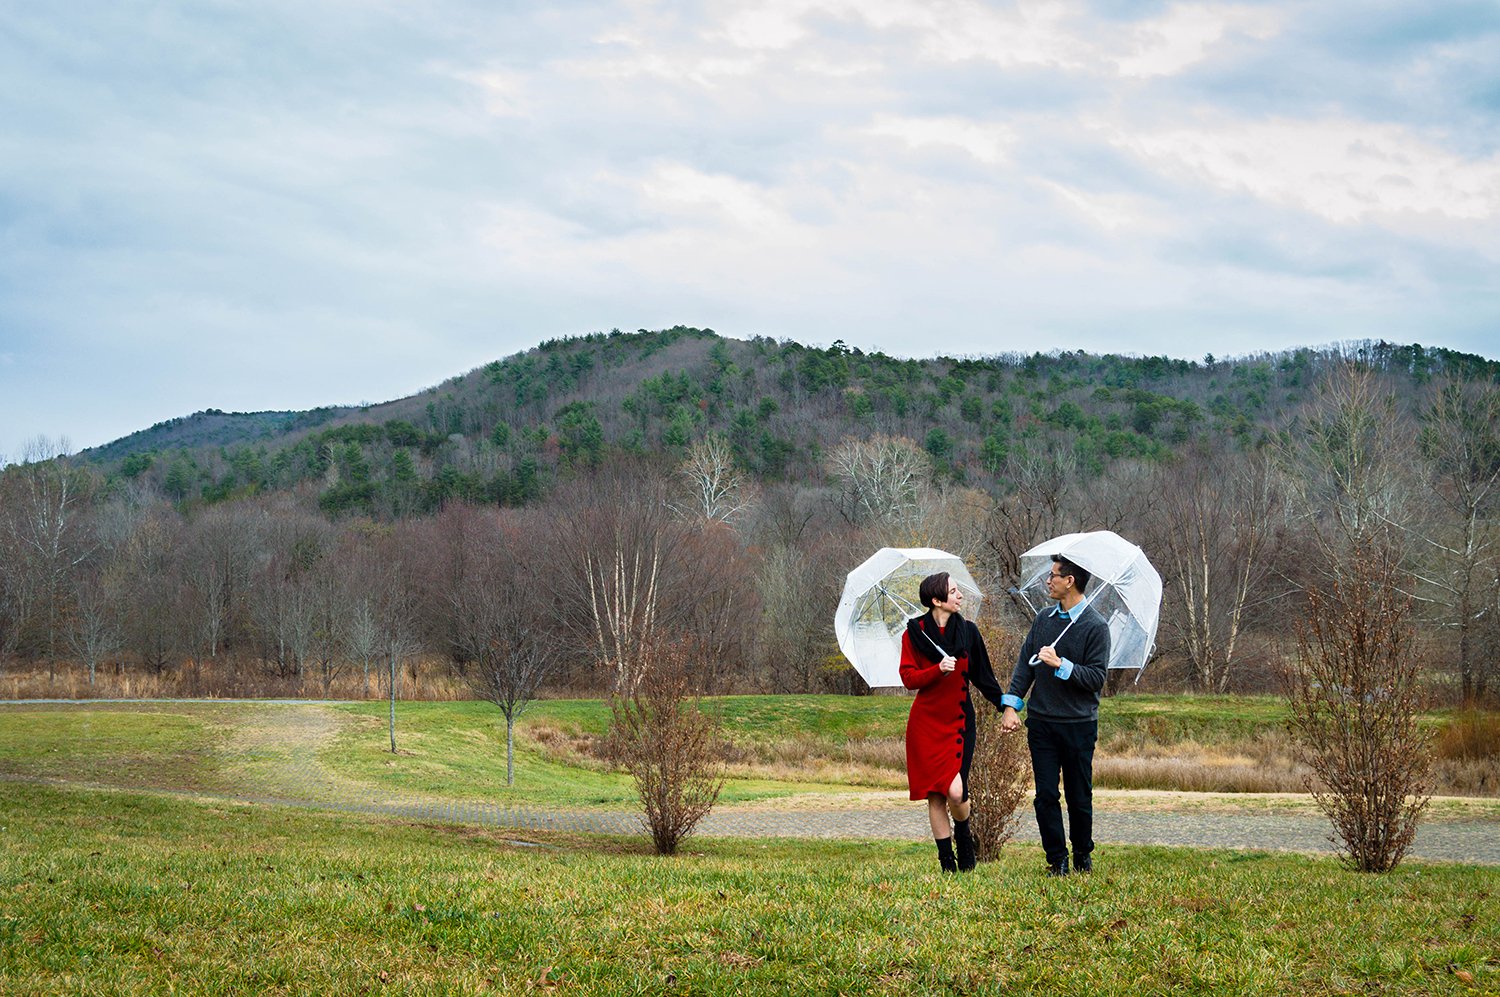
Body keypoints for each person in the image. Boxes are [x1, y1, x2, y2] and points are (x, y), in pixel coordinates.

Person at [1000, 554, 1110, 876]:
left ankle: (1082, 857)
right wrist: (1011, 705)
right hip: (1042, 723)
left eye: (1053, 576)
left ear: (1069, 581)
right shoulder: (1043, 620)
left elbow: (1096, 679)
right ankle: (1057, 860)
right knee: (1045, 795)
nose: (1048, 581)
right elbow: (1025, 667)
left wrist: (1061, 665)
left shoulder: (1095, 626)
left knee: (1079, 795)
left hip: (1079, 725)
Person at [899, 571, 1007, 873]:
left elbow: (983, 676)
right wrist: (937, 669)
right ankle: (947, 863)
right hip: (925, 723)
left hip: (959, 721)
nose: (960, 596)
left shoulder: (968, 632)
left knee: (957, 792)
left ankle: (964, 837)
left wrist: (1005, 705)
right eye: (954, 591)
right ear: (937, 600)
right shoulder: (914, 633)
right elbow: (908, 678)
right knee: (935, 794)